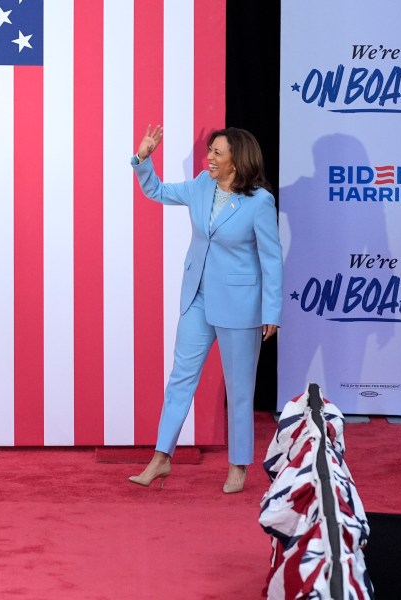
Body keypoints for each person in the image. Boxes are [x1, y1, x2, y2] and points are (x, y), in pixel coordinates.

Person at [128, 126, 282, 494]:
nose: (208, 158)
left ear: (236, 160)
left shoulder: (259, 201)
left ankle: (238, 466)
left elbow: (272, 259)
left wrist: (271, 312)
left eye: (217, 153)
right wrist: (143, 159)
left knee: (240, 388)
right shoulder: (200, 185)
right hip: (197, 296)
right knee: (181, 378)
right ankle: (161, 457)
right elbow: (158, 191)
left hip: (240, 306)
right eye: (209, 151)